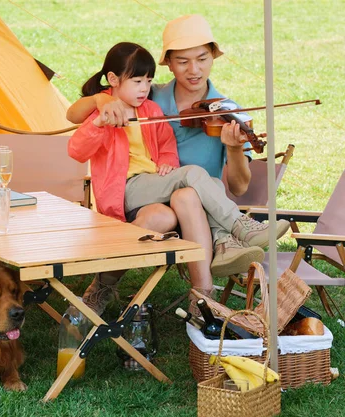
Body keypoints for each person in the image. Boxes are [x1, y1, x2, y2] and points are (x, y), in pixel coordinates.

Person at [67, 22, 290, 315]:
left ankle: (201, 300)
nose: (193, 70)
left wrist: (235, 148)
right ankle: (233, 231)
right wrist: (101, 98)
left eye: (201, 59)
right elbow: (75, 118)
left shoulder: (224, 110)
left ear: (213, 57)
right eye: (183, 61)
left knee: (185, 194)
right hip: (139, 194)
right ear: (169, 64)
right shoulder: (149, 96)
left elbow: (237, 186)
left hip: (194, 207)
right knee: (188, 180)